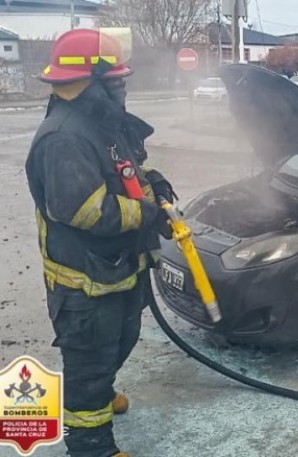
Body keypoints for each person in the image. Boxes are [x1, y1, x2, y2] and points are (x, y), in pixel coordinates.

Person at [25, 29, 175, 457]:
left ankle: (98, 394)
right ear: (89, 83)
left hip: (115, 268)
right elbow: (86, 211)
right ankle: (91, 445)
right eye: (116, 80)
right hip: (84, 282)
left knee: (122, 338)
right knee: (89, 361)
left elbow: (125, 173)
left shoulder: (101, 123)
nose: (123, 87)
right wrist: (149, 214)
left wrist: (155, 187)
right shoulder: (64, 138)